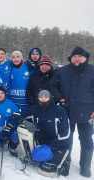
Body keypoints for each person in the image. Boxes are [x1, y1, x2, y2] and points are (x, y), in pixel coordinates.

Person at [49, 46, 94, 177]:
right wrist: (59, 98)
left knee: (86, 139)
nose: (77, 59)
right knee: (66, 138)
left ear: (85, 58)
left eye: (80, 56)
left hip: (86, 112)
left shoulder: (92, 71)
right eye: (74, 56)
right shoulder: (62, 71)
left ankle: (85, 167)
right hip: (66, 110)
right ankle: (65, 163)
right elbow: (52, 85)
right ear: (71, 58)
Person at [15, 90, 71, 178]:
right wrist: (24, 121)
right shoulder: (34, 109)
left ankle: (66, 161)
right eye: (41, 96)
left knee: (47, 171)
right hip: (42, 143)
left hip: (58, 144)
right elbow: (16, 114)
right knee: (38, 160)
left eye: (46, 96)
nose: (43, 99)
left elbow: (66, 134)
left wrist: (51, 146)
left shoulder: (59, 110)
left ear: (50, 97)